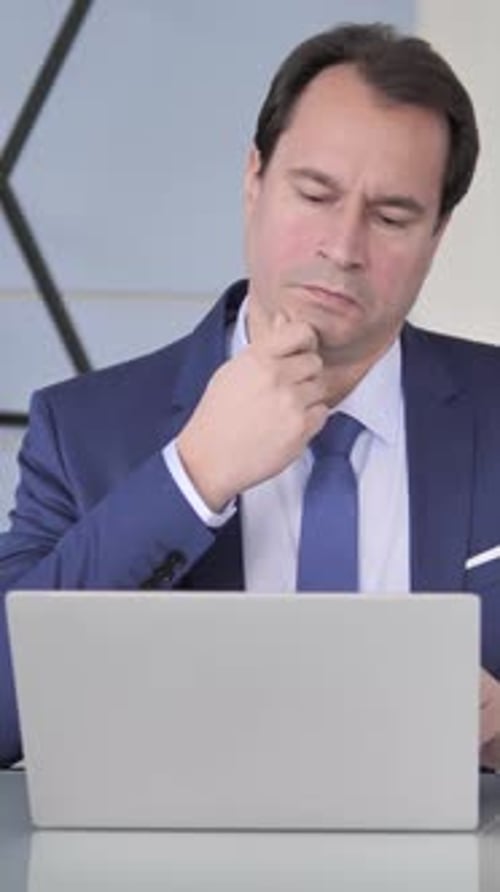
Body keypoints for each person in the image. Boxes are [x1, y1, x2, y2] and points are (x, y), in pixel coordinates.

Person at [1, 22, 500, 769]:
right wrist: (193, 475)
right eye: (315, 194)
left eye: (392, 217)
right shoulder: (82, 431)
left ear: (438, 233)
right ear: (254, 179)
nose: (343, 246)